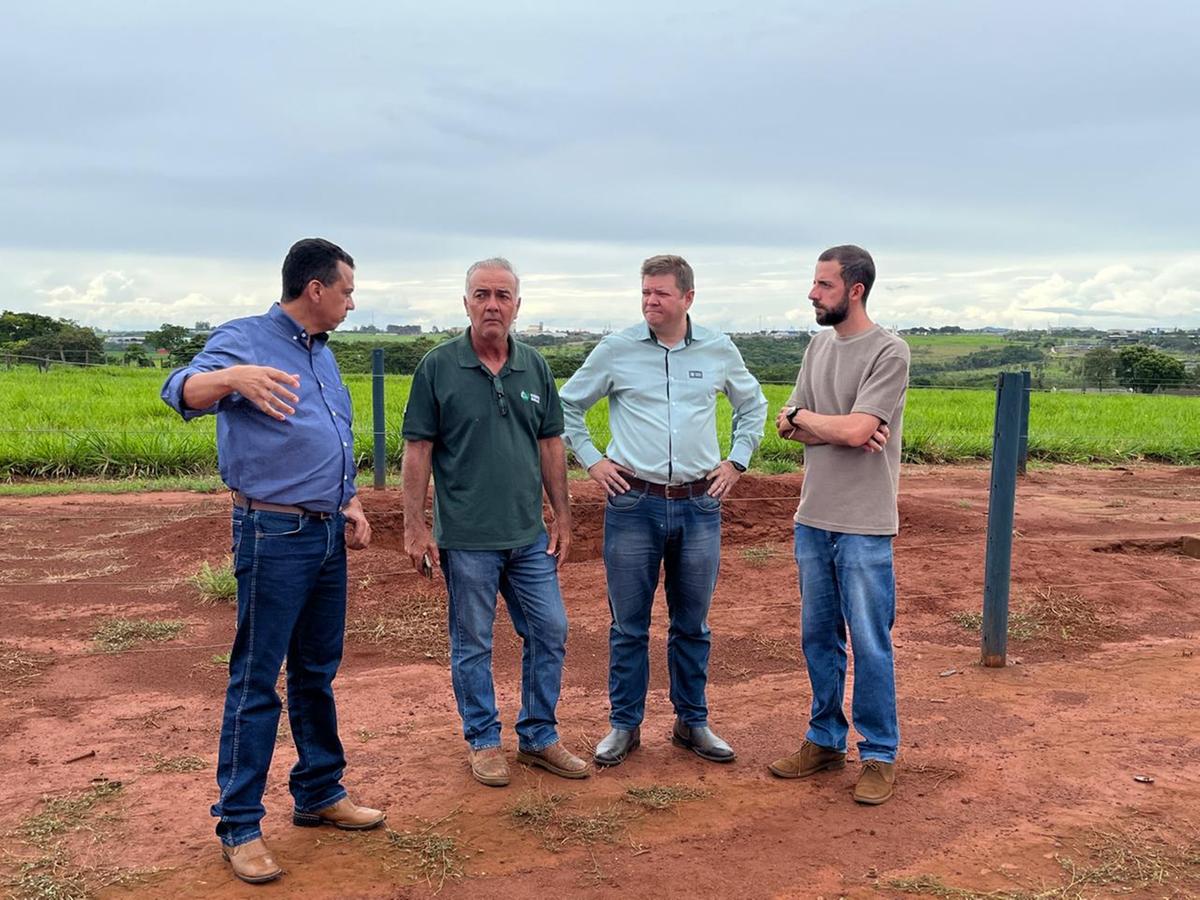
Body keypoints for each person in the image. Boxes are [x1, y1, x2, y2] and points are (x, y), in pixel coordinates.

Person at [161, 238, 383, 885]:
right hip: (273, 534)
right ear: (315, 289)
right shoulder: (246, 340)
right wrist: (231, 378)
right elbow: (177, 391)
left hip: (325, 535)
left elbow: (336, 439)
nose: (351, 301)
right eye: (346, 290)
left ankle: (319, 790)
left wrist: (354, 501)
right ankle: (239, 825)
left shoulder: (325, 357)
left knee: (316, 670)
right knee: (258, 679)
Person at [560, 254, 768, 767]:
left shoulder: (719, 349)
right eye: (646, 292)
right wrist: (591, 460)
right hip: (632, 502)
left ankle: (691, 721)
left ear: (688, 298)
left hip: (700, 504)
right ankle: (624, 726)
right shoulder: (617, 349)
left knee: (692, 624)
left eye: (661, 294)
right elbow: (564, 406)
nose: (651, 301)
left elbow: (753, 405)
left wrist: (737, 461)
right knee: (628, 625)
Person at [401, 257, 588, 787]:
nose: (492, 304)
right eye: (481, 294)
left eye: (502, 296)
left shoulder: (535, 366)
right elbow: (417, 450)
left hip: (528, 536)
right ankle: (483, 739)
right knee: (473, 642)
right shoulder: (438, 366)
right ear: (466, 303)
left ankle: (538, 735)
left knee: (550, 629)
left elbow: (551, 444)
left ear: (517, 306)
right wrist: (415, 527)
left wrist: (563, 515)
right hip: (467, 540)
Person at [766, 244, 909, 806]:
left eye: (823, 285)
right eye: (814, 283)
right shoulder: (817, 345)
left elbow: (856, 431)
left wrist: (819, 423)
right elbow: (788, 423)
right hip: (813, 518)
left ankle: (879, 753)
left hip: (865, 524)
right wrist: (826, 423)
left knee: (870, 642)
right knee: (818, 639)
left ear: (855, 290)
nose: (812, 293)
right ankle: (825, 739)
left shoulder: (889, 352)